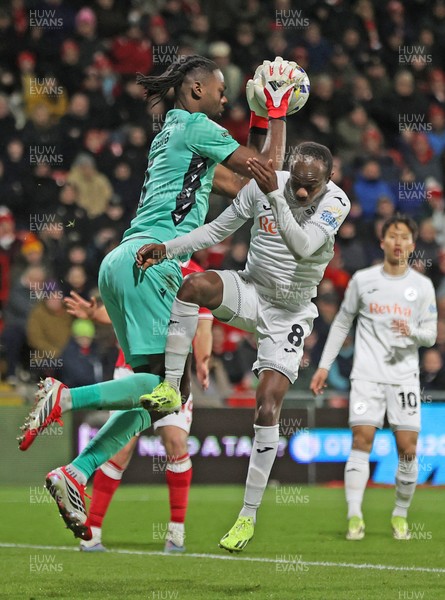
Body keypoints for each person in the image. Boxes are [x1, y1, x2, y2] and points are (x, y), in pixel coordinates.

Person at [18, 54, 297, 541]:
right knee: (171, 390)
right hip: (155, 264)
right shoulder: (198, 126)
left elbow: (244, 183)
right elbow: (269, 171)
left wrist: (255, 119)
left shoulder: (174, 129)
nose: (224, 98)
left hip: (121, 261)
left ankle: (76, 473)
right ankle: (64, 397)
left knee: (157, 392)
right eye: (219, 90)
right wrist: (276, 112)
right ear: (194, 92)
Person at [136, 141, 351, 552]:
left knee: (268, 405)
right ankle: (169, 386)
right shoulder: (265, 186)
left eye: (312, 186)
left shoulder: (334, 204)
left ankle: (247, 518)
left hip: (290, 311)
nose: (303, 193)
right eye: (298, 185)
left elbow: (304, 246)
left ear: (328, 180)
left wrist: (275, 195)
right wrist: (168, 248)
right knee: (193, 285)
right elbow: (217, 230)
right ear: (290, 172)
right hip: (251, 290)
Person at [64, 260, 212, 554]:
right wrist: (95, 313)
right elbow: (122, 311)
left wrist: (203, 360)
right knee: (121, 448)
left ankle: (176, 534)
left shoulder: (196, 274)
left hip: (174, 375)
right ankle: (91, 532)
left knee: (176, 442)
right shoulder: (142, 258)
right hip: (133, 370)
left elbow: (204, 323)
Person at [310, 215, 437, 541]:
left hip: (404, 377)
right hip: (366, 376)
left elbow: (432, 335)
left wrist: (412, 332)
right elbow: (341, 323)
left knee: (408, 449)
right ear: (383, 242)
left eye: (404, 237)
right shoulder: (362, 280)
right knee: (361, 441)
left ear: (412, 244)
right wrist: (324, 365)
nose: (398, 242)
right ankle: (354, 516)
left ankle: (400, 514)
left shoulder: (422, 286)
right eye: (392, 236)